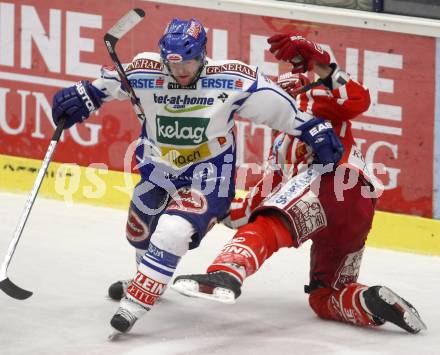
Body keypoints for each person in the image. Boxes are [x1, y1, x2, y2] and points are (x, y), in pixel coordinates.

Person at [51, 21, 344, 333]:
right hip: (157, 171)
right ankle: (148, 278)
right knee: (138, 232)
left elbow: (279, 109)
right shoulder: (143, 71)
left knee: (173, 230)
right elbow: (103, 87)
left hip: (209, 176)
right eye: (173, 65)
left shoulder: (232, 79)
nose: (181, 72)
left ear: (202, 54)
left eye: (189, 63)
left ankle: (136, 302)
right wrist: (83, 95)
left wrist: (313, 128)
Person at [170, 35, 427, 334]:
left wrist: (321, 66)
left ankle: (225, 273)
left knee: (268, 222)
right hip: (359, 205)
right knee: (325, 296)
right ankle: (369, 302)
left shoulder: (314, 105)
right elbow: (251, 205)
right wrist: (205, 207)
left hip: (332, 182)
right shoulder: (281, 148)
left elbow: (359, 100)